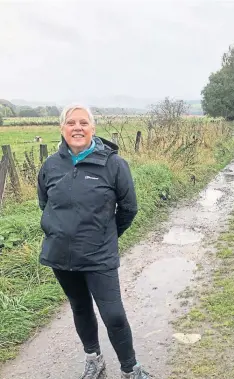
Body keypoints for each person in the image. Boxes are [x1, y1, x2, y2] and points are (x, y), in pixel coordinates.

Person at [37, 104, 151, 379]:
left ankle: (130, 369)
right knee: (80, 307)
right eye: (71, 123)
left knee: (113, 314)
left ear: (93, 128)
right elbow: (45, 204)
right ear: (62, 128)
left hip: (99, 255)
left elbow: (128, 208)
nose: (77, 128)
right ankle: (94, 359)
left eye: (83, 123)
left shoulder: (113, 164)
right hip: (61, 256)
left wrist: (106, 235)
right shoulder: (51, 165)